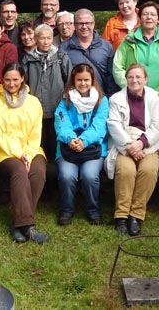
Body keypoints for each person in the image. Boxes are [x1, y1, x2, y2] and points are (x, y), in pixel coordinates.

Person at [0, 63, 49, 244]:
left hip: (31, 149)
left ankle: (18, 223)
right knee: (20, 172)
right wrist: (18, 153)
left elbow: (35, 132)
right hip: (4, 152)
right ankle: (28, 226)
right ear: (2, 80)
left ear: (22, 79)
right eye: (7, 80)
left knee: (38, 173)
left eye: (15, 79)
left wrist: (27, 154)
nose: (11, 84)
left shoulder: (33, 102)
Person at [106, 64, 159, 236]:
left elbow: (158, 125)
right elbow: (114, 125)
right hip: (124, 142)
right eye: (131, 77)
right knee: (126, 170)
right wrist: (130, 146)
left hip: (148, 143)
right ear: (126, 79)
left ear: (145, 79)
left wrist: (141, 143)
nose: (134, 80)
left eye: (138, 77)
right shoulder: (116, 99)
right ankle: (121, 216)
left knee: (149, 170)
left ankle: (136, 215)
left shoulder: (153, 97)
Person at [54, 63, 109, 226]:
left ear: (92, 80)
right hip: (67, 146)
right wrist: (71, 139)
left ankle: (93, 209)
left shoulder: (101, 100)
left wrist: (84, 141)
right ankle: (66, 209)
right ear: (73, 80)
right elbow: (61, 122)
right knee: (66, 176)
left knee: (90, 176)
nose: (83, 83)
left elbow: (100, 126)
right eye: (79, 80)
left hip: (92, 147)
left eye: (86, 80)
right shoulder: (65, 99)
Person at [22, 24, 73, 168]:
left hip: (57, 108)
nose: (46, 41)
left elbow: (70, 80)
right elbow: (23, 83)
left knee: (56, 144)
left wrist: (66, 102)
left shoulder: (61, 56)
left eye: (49, 38)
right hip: (35, 111)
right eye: (42, 38)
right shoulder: (28, 59)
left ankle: (56, 179)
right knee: (39, 145)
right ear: (36, 39)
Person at [112, 1, 159, 108]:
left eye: (153, 14)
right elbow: (117, 67)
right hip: (133, 102)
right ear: (140, 18)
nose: (149, 17)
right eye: (145, 14)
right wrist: (132, 89)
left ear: (158, 19)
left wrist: (157, 94)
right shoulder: (128, 40)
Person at [60, 8, 117, 95]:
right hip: (74, 100)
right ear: (74, 25)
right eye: (80, 23)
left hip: (100, 99)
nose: (84, 27)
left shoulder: (106, 47)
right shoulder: (64, 47)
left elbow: (111, 77)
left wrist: (110, 98)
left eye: (87, 23)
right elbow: (61, 77)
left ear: (93, 24)